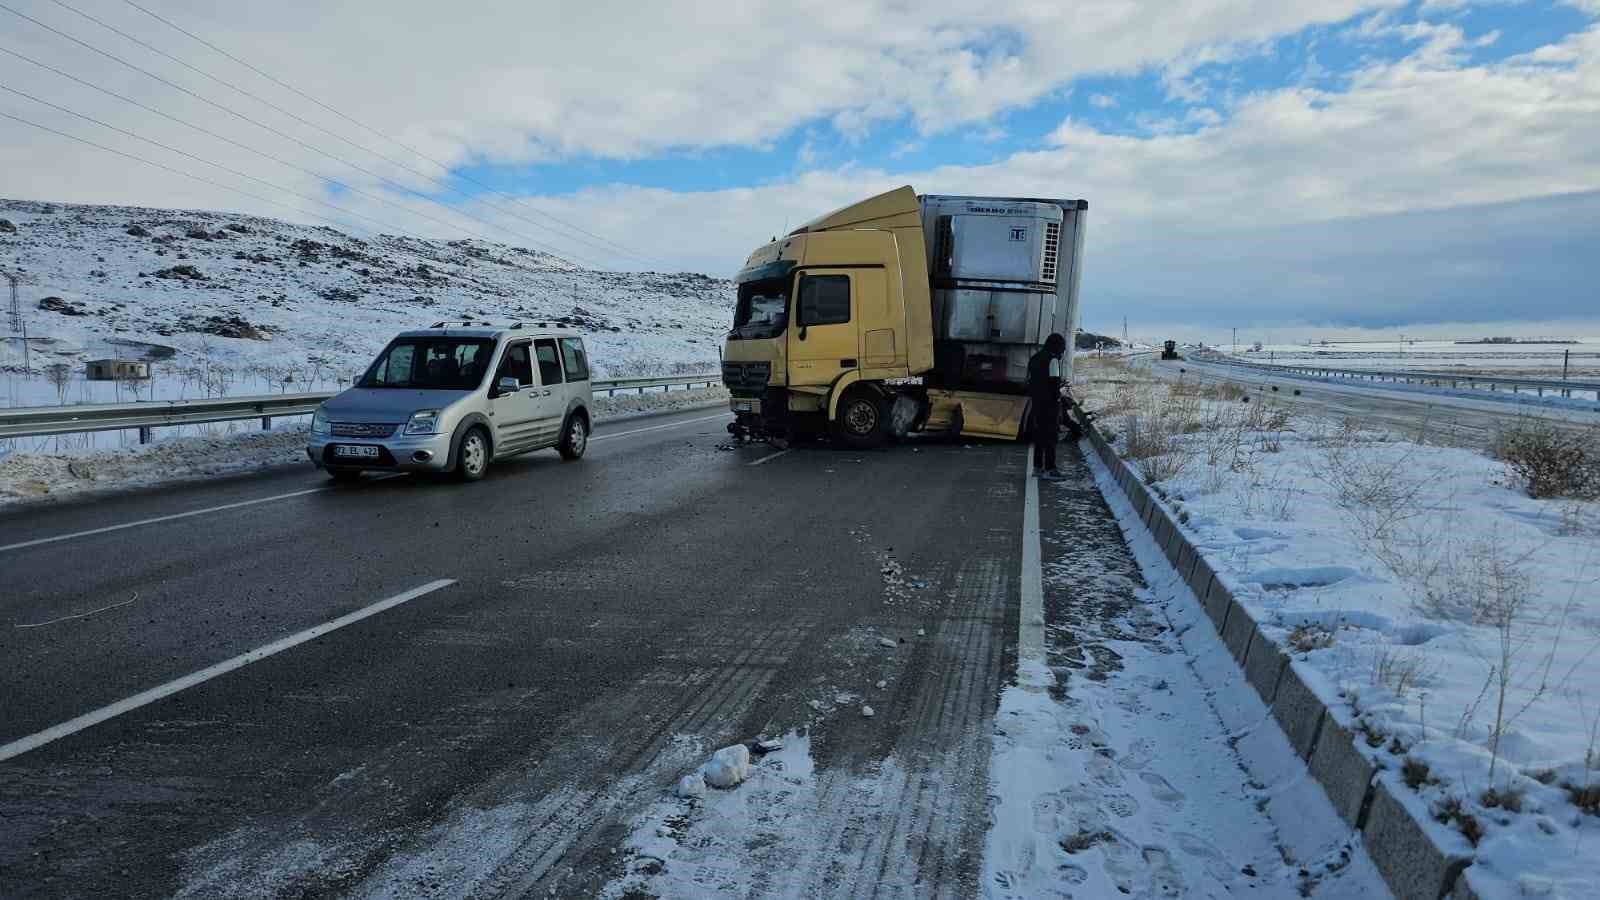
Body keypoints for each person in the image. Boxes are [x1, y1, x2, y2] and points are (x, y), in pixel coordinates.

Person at [1028, 333, 1068, 480]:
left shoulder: (1034, 358)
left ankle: (1037, 468)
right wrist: (1059, 399)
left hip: (1037, 402)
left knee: (1039, 435)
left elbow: (1031, 381)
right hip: (1050, 404)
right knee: (1051, 436)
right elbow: (1054, 384)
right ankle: (1051, 469)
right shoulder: (1053, 361)